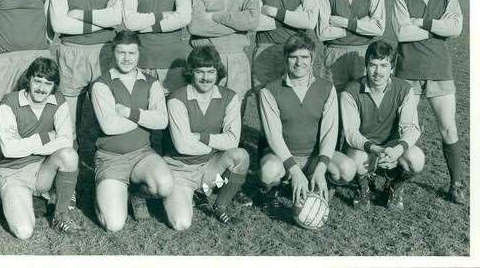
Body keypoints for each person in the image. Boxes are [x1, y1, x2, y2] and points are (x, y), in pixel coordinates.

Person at [392, 0, 465, 204]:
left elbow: (455, 28)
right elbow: (402, 33)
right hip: (408, 72)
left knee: (448, 128)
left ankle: (456, 184)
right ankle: (396, 184)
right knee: (404, 129)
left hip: (439, 71)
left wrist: (421, 23)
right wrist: (438, 29)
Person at [258, 33, 356, 212]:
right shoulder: (269, 91)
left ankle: (319, 180)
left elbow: (330, 132)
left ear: (312, 59)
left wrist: (321, 167)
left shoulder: (327, 88)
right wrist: (294, 170)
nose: (299, 63)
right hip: (282, 157)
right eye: (293, 57)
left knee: (347, 169)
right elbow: (274, 137)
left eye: (304, 57)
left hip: (314, 157)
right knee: (269, 171)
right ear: (285, 58)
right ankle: (274, 191)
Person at [90, 30, 173, 231]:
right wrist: (145, 118)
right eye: (121, 52)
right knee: (114, 225)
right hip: (110, 159)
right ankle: (100, 194)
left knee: (164, 186)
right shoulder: (101, 85)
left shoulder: (151, 83)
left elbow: (162, 121)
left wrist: (127, 112)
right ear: (113, 53)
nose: (127, 58)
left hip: (142, 155)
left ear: (139, 54)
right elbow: (109, 126)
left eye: (132, 53)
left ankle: (137, 194)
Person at [163, 46, 250, 229]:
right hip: (180, 170)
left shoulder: (229, 97)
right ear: (190, 72)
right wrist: (219, 143)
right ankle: (196, 193)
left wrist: (200, 136)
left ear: (218, 72)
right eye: (199, 72)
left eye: (211, 72)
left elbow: (233, 140)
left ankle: (220, 205)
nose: (206, 78)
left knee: (240, 155)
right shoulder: (176, 99)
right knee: (181, 223)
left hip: (210, 167)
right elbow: (183, 146)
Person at [49, 0, 122, 138]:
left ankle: (106, 168)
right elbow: (60, 24)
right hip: (72, 53)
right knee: (69, 123)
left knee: (108, 119)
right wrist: (103, 20)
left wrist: (80, 14)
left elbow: (116, 17)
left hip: (106, 53)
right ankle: (70, 169)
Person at [0, 58, 81, 238]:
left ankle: (60, 215)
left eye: (48, 84)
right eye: (37, 81)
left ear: (54, 85)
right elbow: (9, 150)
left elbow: (65, 140)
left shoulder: (58, 100)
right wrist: (44, 138)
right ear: (29, 79)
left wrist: (28, 147)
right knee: (24, 231)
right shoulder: (9, 103)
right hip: (13, 173)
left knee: (69, 155)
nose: (41, 88)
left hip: (43, 170)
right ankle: (23, 200)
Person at [340, 40, 425, 210]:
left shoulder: (404, 89)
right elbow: (351, 134)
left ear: (392, 68)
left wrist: (397, 150)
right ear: (366, 66)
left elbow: (411, 128)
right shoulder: (350, 91)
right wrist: (376, 150)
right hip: (364, 148)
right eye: (373, 65)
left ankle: (394, 187)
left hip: (391, 148)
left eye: (384, 65)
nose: (378, 72)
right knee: (356, 159)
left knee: (416, 159)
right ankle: (364, 188)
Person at [188, 0, 260, 101]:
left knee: (235, 115)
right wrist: (238, 23)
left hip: (236, 58)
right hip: (203, 59)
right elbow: (195, 26)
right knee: (205, 114)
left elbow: (252, 21)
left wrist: (214, 15)